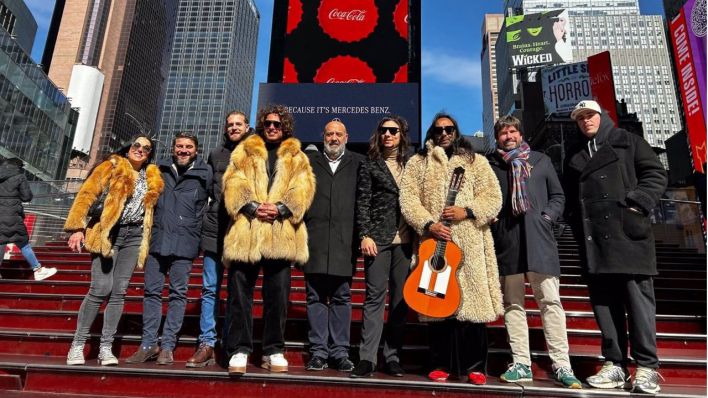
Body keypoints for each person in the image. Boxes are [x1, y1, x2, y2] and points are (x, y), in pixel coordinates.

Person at [565, 100, 667, 394]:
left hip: (628, 235)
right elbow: (573, 197)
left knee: (638, 304)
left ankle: (647, 367)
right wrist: (574, 223)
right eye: (580, 118)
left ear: (602, 116)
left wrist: (636, 204)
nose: (586, 121)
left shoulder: (628, 142)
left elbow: (656, 174)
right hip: (594, 239)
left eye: (590, 115)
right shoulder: (575, 155)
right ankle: (615, 364)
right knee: (604, 306)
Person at [399, 112, 503, 385]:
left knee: (473, 306)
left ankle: (476, 366)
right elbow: (408, 200)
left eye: (449, 129)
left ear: (456, 132)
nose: (443, 134)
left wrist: (467, 211)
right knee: (436, 304)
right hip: (434, 244)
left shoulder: (475, 162)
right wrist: (429, 224)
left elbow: (493, 197)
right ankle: (440, 363)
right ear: (431, 134)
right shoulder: (417, 163)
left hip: (471, 242)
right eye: (438, 130)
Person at [487, 115, 581, 389]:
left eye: (513, 131)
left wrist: (547, 217)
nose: (508, 136)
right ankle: (522, 363)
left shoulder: (540, 160)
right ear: (498, 137)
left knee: (550, 303)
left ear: (520, 134)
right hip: (509, 242)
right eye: (503, 133)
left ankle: (562, 365)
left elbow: (558, 196)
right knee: (513, 305)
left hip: (540, 240)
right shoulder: (492, 165)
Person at [222, 104, 315, 374]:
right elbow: (232, 182)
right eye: (268, 124)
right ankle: (240, 349)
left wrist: (282, 208)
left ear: (285, 127)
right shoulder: (246, 149)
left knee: (277, 296)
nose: (272, 128)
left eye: (277, 124)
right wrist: (251, 206)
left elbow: (304, 188)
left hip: (281, 232)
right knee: (240, 295)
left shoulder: (297, 155)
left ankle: (274, 349)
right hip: (247, 232)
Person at [63, 135, 164, 366]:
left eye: (146, 148)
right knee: (100, 288)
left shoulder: (152, 176)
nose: (140, 150)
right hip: (108, 232)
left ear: (150, 154)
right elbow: (87, 194)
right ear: (129, 147)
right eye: (136, 145)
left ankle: (106, 347)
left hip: (134, 236)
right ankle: (77, 345)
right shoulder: (112, 165)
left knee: (119, 291)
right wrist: (77, 227)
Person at [126, 132, 212, 366]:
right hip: (157, 240)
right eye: (180, 146)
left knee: (178, 294)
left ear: (196, 150)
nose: (183, 150)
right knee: (152, 293)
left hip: (185, 243)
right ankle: (148, 344)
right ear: (173, 149)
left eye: (189, 147)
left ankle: (167, 346)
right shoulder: (157, 169)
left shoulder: (205, 172)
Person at [187, 110, 251, 368]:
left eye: (238, 124)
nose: (234, 128)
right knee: (210, 289)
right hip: (214, 228)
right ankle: (207, 344)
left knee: (237, 291)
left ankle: (231, 343)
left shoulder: (256, 151)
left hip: (242, 230)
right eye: (230, 125)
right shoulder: (216, 154)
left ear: (247, 126)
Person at [350, 115, 412, 379]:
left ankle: (393, 356)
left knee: (400, 300)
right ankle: (367, 358)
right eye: (384, 130)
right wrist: (365, 234)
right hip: (378, 239)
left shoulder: (413, 165)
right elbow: (362, 201)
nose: (388, 135)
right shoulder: (370, 164)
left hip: (407, 242)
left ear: (401, 135)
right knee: (374, 298)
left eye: (393, 131)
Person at [303, 118, 364, 372]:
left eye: (339, 134)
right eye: (329, 134)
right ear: (323, 136)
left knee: (341, 297)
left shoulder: (359, 163)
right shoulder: (309, 164)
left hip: (344, 242)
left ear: (346, 137)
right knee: (315, 297)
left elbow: (364, 201)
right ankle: (318, 352)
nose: (334, 138)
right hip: (314, 240)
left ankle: (340, 352)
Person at [0, 158, 57, 281]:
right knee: (23, 243)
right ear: (18, 166)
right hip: (12, 215)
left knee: (1, 242)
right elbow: (27, 197)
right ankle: (37, 269)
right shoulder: (19, 176)